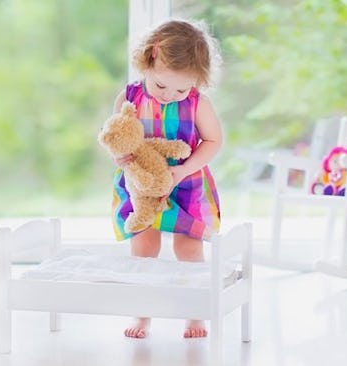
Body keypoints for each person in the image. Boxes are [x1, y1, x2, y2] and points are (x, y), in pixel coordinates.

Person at [107, 19, 223, 339]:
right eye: (161, 86)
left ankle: (194, 313)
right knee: (144, 248)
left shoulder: (197, 103)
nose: (169, 95)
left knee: (188, 249)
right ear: (149, 61)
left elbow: (214, 141)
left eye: (181, 89)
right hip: (141, 182)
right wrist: (119, 157)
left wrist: (183, 169)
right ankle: (143, 312)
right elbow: (115, 136)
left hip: (185, 183)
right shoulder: (129, 97)